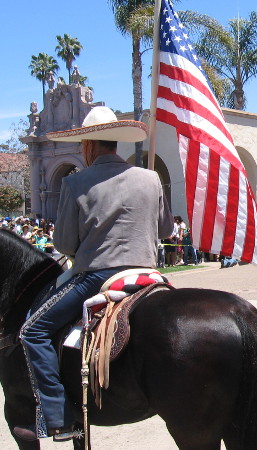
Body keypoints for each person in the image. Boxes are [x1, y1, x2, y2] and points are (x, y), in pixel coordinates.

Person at [14, 106, 173, 442]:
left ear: (87, 145)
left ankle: (58, 415)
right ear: (116, 143)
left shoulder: (75, 183)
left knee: (33, 330)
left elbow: (64, 243)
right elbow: (166, 229)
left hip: (97, 278)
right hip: (148, 273)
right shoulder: (151, 178)